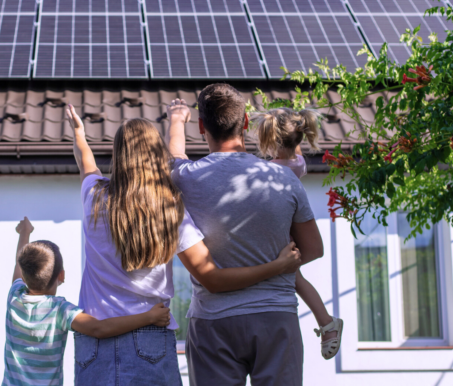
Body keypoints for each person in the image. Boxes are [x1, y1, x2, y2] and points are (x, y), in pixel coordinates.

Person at [66, 105, 303, 386]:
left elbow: (85, 161)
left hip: (94, 342)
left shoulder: (93, 196)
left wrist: (79, 133)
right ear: (156, 155)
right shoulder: (169, 209)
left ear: (118, 155)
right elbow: (211, 276)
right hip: (150, 335)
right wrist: (277, 266)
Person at [165, 83, 325, 386]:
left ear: (201, 127)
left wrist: (176, 119)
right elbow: (313, 249)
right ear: (246, 123)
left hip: (213, 322)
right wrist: (277, 262)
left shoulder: (183, 177)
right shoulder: (284, 178)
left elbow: (174, 153)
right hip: (275, 316)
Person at [3, 217, 172, 386]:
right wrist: (149, 317)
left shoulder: (14, 297)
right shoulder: (59, 310)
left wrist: (24, 233)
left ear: (24, 275)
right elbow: (99, 328)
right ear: (61, 276)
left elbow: (18, 266)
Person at [252, 107, 344, 360]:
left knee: (292, 278)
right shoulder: (298, 163)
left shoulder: (268, 170)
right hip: (291, 227)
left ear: (270, 140)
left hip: (283, 235)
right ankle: (326, 322)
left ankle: (327, 322)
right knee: (297, 280)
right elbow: (295, 152)